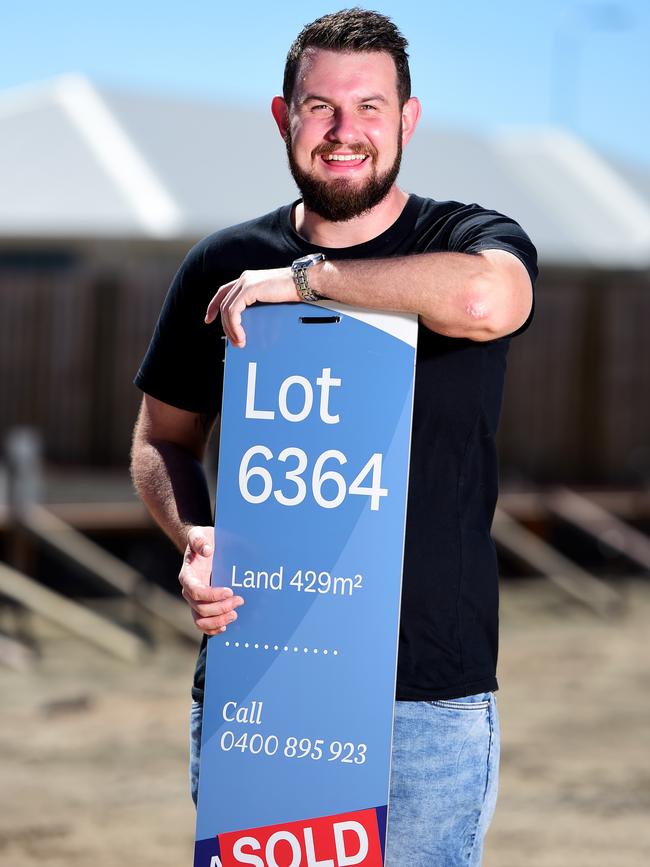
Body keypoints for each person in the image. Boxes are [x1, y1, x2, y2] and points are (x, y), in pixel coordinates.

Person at [130, 8, 537, 866]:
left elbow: (483, 304)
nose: (344, 132)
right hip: (265, 681)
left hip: (425, 700)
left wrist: (306, 280)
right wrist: (196, 534)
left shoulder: (465, 240)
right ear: (284, 118)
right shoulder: (222, 264)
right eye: (320, 107)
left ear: (408, 120)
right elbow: (160, 437)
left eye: (370, 108)